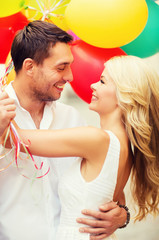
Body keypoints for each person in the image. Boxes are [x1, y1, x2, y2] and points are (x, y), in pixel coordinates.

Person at [4, 55, 159, 239]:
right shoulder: (127, 150)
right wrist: (123, 215)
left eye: (102, 81)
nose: (93, 85)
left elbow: (16, 140)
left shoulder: (96, 139)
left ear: (124, 95)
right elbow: (114, 202)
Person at [0, 20, 127, 240]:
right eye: (61, 67)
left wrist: (122, 215)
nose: (70, 76)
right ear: (29, 67)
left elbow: (105, 184)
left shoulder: (72, 118)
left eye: (70, 65)